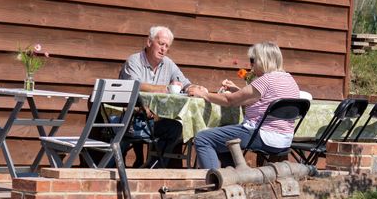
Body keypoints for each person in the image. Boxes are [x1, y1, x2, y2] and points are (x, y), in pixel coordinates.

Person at [193, 42, 300, 169]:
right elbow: (260, 99)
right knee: (224, 138)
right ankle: (235, 177)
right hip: (284, 139)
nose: (251, 65)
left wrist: (204, 94)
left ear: (262, 60)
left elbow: (230, 101)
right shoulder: (289, 79)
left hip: (261, 135)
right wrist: (236, 89)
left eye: (252, 60)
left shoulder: (266, 80)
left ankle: (214, 181)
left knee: (203, 138)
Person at [119, 26, 207, 166]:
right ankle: (151, 165)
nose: (163, 49)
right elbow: (135, 85)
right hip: (130, 121)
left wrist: (193, 88)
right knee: (172, 128)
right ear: (149, 42)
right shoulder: (134, 61)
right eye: (161, 44)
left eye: (167, 46)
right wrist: (164, 88)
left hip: (152, 120)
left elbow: (184, 82)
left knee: (175, 127)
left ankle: (153, 167)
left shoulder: (168, 63)